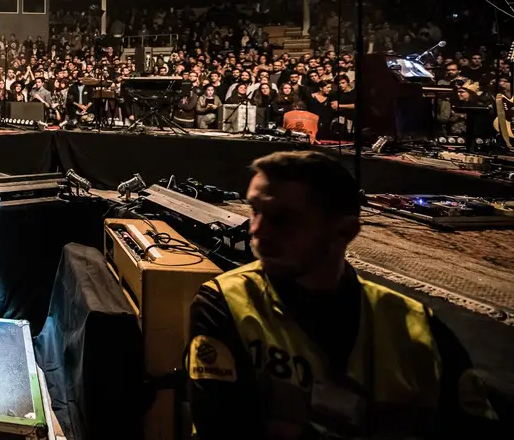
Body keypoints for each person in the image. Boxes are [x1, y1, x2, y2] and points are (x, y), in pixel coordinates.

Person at [187, 151, 497, 440]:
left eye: (282, 218)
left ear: (344, 231)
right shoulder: (226, 303)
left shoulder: (419, 329)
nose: (257, 230)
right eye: (255, 211)